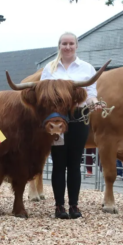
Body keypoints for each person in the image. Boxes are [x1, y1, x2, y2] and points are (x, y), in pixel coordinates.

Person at [40, 32, 104, 220]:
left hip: (78, 118)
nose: (67, 47)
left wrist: (94, 103)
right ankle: (59, 206)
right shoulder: (49, 68)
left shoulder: (87, 68)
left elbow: (91, 92)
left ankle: (74, 205)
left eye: (71, 43)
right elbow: (44, 95)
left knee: (75, 163)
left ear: (76, 46)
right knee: (59, 163)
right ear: (59, 46)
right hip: (57, 120)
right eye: (64, 43)